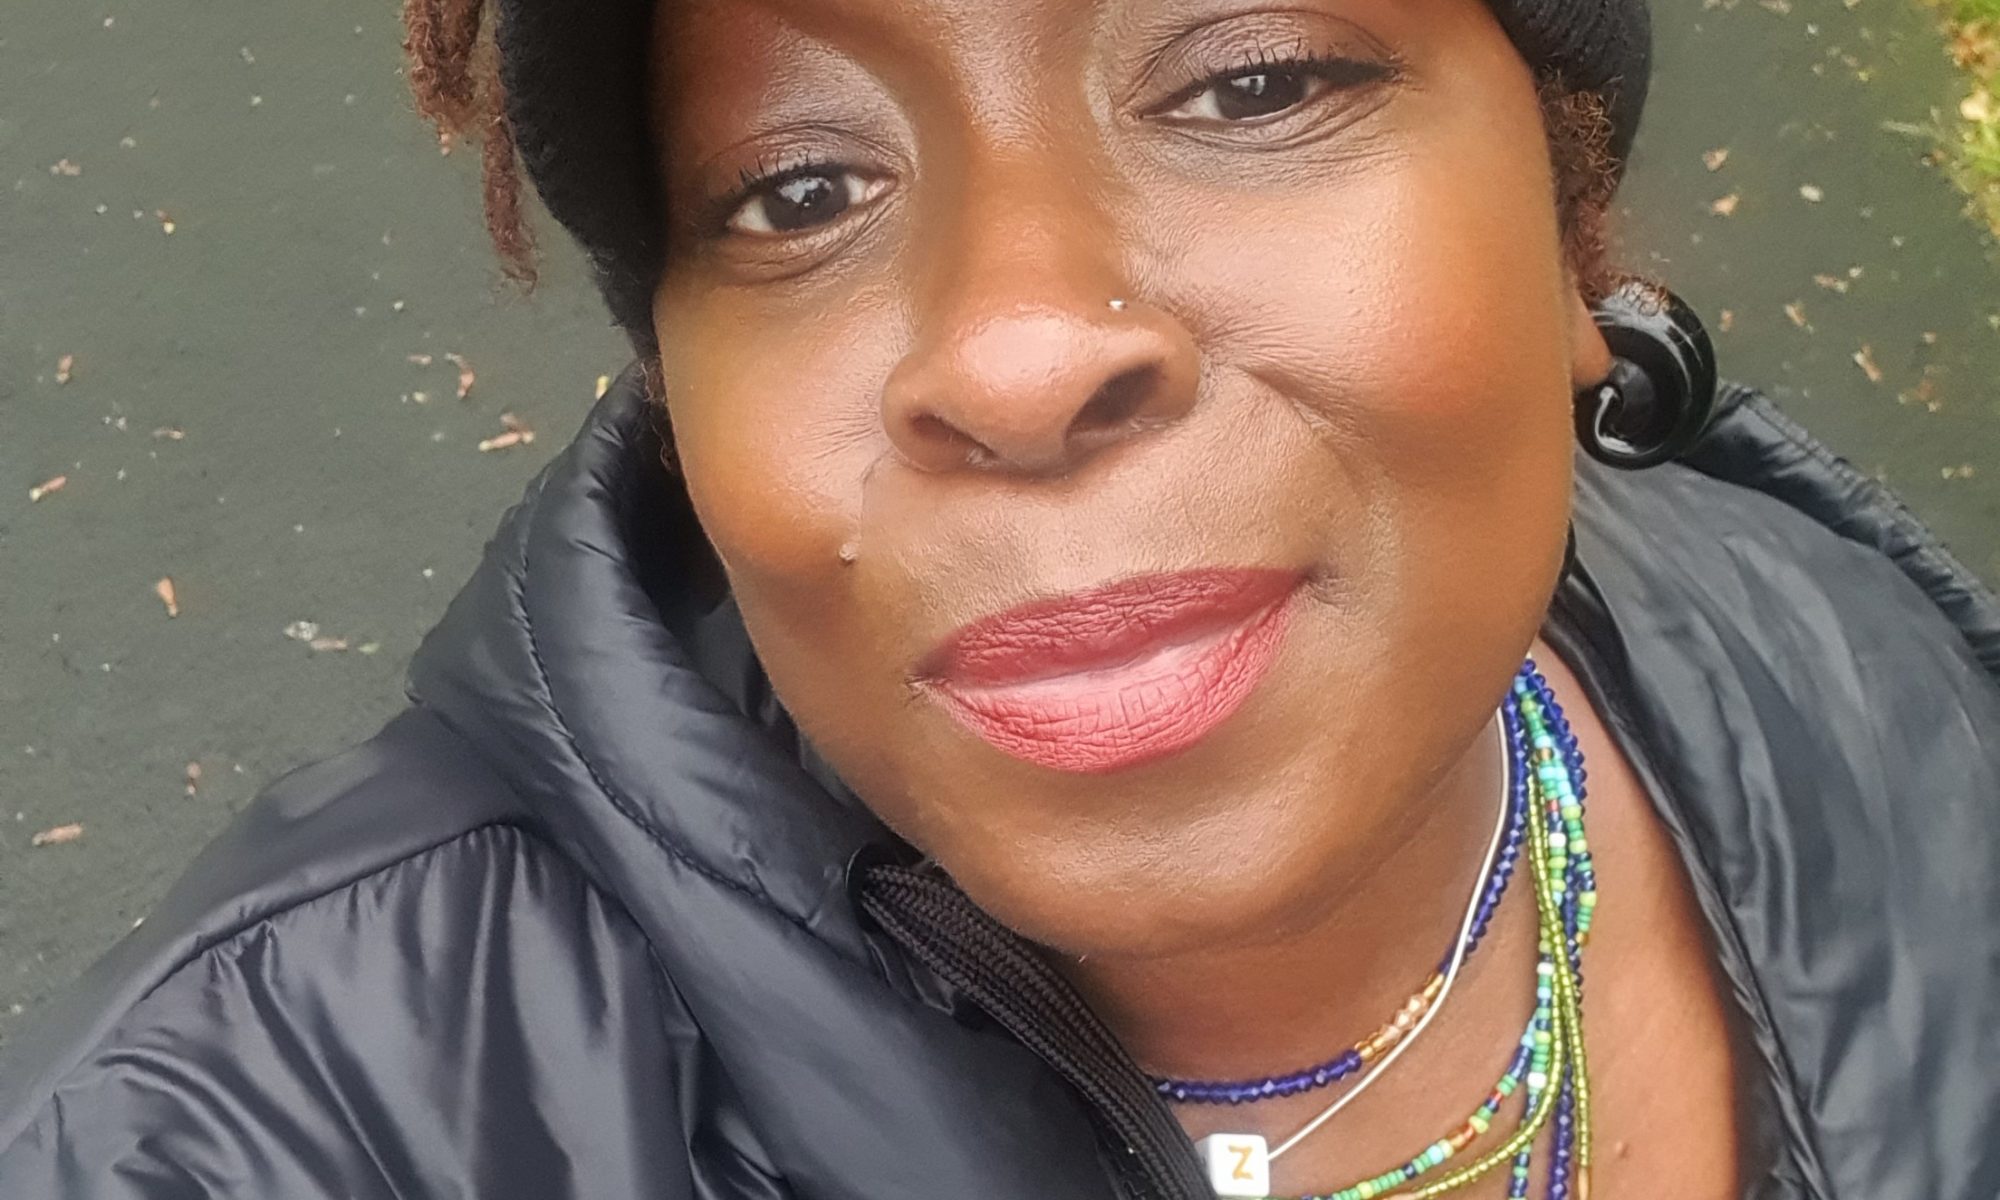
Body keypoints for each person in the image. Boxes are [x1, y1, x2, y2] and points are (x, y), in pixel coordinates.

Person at [2, 0, 1997, 1195]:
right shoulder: (279, 1117)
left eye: (1249, 80)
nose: (1019, 347)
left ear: (1571, 233)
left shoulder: (1863, 667)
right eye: (798, 189)